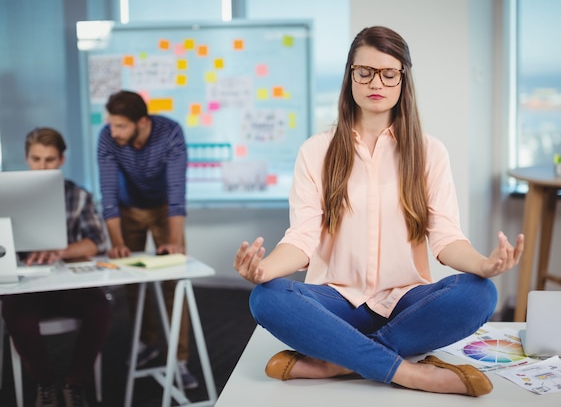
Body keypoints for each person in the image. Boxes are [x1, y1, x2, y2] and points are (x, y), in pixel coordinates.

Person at [233, 26, 525, 397]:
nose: (377, 82)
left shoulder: (429, 152)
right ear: (350, 76)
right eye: (365, 72)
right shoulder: (316, 151)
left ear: (403, 79)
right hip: (336, 302)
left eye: (389, 74)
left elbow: (446, 236)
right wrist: (262, 270)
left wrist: (484, 265)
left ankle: (337, 360)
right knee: (266, 298)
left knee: (480, 294)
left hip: (406, 303)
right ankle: (411, 373)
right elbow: (302, 237)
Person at [2, 127, 111, 407]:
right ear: (26, 158)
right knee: (14, 312)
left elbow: (96, 242)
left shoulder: (78, 196)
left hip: (67, 282)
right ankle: (45, 383)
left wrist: (60, 250)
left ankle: (74, 382)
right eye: (36, 159)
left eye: (49, 160)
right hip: (29, 285)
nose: (42, 167)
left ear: (61, 160)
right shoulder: (7, 195)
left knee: (100, 308)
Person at [96, 90, 197, 389]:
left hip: (164, 209)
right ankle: (148, 341)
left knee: (173, 280)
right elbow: (109, 195)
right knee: (133, 280)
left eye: (121, 126)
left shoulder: (170, 133)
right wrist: (116, 243)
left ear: (142, 122)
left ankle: (179, 360)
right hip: (127, 210)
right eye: (111, 125)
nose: (113, 132)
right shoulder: (107, 137)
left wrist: (175, 242)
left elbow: (177, 194)